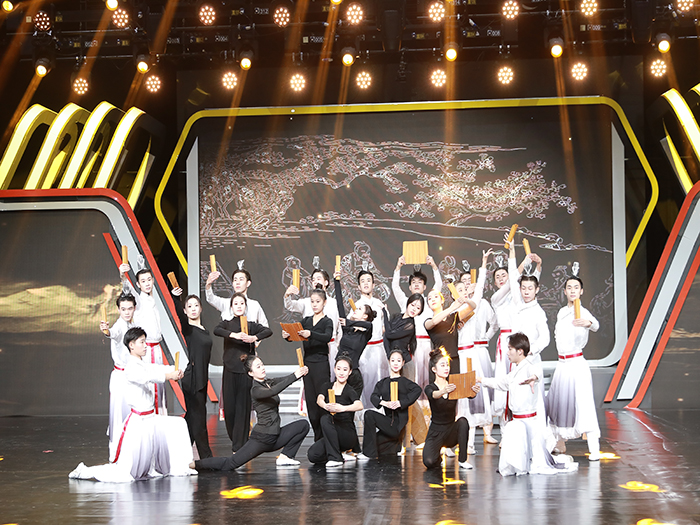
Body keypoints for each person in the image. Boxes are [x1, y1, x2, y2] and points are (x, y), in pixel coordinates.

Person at [69, 328, 195, 482]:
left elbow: (155, 369)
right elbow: (149, 376)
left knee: (179, 424)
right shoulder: (131, 367)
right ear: (131, 345)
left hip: (150, 419)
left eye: (145, 342)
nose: (145, 345)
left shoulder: (141, 363)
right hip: (139, 422)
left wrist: (174, 370)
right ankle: (85, 472)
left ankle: (182, 464)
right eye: (142, 342)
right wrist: (170, 375)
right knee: (126, 471)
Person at [477, 333, 578, 476]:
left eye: (510, 349)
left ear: (520, 351)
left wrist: (533, 378)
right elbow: (501, 383)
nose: (507, 353)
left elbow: (536, 373)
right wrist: (481, 380)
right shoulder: (515, 370)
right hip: (517, 420)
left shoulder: (529, 367)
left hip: (528, 422)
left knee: (533, 456)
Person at [193, 356, 309, 471]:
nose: (262, 368)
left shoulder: (268, 382)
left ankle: (285, 457)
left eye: (262, 365)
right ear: (250, 373)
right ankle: (194, 465)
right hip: (262, 439)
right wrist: (295, 376)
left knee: (303, 425)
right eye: (258, 367)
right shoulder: (255, 390)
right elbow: (274, 391)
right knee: (230, 463)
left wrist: (298, 373)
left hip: (275, 437)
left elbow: (283, 380)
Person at [546, 274, 602, 460]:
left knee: (583, 403)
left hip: (577, 363)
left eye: (576, 287)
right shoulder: (562, 312)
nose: (572, 290)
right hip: (562, 364)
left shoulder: (583, 312)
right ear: (564, 291)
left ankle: (594, 448)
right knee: (560, 403)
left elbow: (596, 325)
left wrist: (588, 323)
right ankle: (558, 442)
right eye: (569, 287)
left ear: (581, 291)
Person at [214, 293, 273, 452]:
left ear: (245, 307)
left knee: (243, 408)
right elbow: (216, 330)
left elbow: (268, 331)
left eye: (242, 303)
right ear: (231, 307)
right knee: (230, 408)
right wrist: (234, 335)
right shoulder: (227, 324)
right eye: (236, 303)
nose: (239, 306)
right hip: (229, 370)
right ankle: (236, 440)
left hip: (246, 372)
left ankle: (239, 446)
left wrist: (253, 338)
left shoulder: (251, 325)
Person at [488, 246, 542, 418]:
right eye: (497, 277)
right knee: (504, 378)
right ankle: (504, 416)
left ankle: (521, 411)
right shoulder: (496, 298)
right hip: (505, 342)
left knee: (521, 377)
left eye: (504, 275)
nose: (501, 279)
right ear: (494, 282)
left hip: (519, 341)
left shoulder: (518, 297)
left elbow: (531, 284)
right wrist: (522, 261)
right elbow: (513, 280)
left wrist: (538, 266)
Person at [283, 288, 333, 441]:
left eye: (318, 301)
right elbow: (296, 334)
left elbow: (327, 336)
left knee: (322, 399)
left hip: (321, 364)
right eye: (312, 301)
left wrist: (311, 334)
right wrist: (287, 336)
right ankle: (318, 438)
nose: (314, 304)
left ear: (324, 302)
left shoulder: (327, 321)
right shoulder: (306, 321)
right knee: (311, 402)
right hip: (308, 365)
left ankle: (326, 438)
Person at [171, 287, 213, 459]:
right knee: (199, 419)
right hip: (193, 378)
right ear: (185, 311)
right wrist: (176, 299)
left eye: (196, 305)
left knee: (192, 419)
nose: (193, 308)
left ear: (201, 308)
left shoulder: (204, 329)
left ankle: (178, 455)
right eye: (189, 306)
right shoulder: (188, 329)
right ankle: (206, 458)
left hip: (201, 377)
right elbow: (180, 318)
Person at [357, 350, 422, 460]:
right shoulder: (382, 383)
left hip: (397, 426)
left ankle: (369, 455)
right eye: (393, 360)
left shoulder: (405, 382)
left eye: (398, 361)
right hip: (388, 425)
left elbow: (418, 390)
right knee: (374, 443)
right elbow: (373, 397)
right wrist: (384, 403)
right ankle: (396, 446)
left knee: (369, 414)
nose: (395, 363)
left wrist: (401, 403)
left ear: (403, 363)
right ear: (389, 362)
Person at [120, 265, 167, 413]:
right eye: (143, 281)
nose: (147, 283)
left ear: (153, 280)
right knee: (151, 385)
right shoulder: (139, 301)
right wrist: (123, 276)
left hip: (156, 348)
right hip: (147, 350)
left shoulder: (151, 300)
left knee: (159, 385)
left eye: (149, 280)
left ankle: (160, 416)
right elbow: (129, 289)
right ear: (138, 284)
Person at [392, 255, 442, 391]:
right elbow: (395, 287)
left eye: (420, 282)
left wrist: (434, 266)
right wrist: (398, 267)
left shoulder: (430, 301)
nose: (416, 284)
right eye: (413, 282)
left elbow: (439, 285)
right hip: (411, 345)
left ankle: (427, 402)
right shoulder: (405, 302)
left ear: (425, 287)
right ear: (409, 287)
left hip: (427, 344)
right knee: (412, 377)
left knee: (427, 376)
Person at [307, 353, 364, 467]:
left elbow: (359, 405)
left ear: (350, 372)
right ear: (334, 369)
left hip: (346, 433)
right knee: (313, 455)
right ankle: (339, 454)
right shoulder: (327, 386)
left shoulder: (349, 390)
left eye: (345, 370)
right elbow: (319, 399)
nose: (341, 373)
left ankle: (336, 458)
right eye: (338, 369)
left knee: (325, 418)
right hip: (331, 434)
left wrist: (343, 408)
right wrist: (325, 406)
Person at [423, 348, 474, 470]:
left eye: (447, 365)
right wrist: (443, 391)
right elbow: (433, 395)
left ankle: (462, 460)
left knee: (463, 422)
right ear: (434, 369)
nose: (446, 368)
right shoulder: (430, 387)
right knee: (429, 461)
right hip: (436, 432)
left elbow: (468, 394)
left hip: (451, 431)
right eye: (442, 365)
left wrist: (473, 392)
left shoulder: (453, 384)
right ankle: (438, 458)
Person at [285, 267, 341, 378]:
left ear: (326, 282)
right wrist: (287, 295)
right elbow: (290, 305)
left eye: (318, 278)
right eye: (313, 280)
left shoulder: (334, 303)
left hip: (331, 345)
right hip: (312, 347)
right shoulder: (307, 302)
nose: (315, 282)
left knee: (331, 377)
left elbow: (340, 327)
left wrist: (338, 344)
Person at [99, 293, 136, 462]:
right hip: (121, 377)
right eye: (123, 309)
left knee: (132, 414)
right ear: (118, 310)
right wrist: (106, 331)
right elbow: (112, 333)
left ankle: (131, 450)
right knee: (120, 415)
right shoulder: (119, 326)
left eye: (130, 308)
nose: (127, 312)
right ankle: (117, 454)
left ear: (134, 308)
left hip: (133, 376)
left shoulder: (133, 325)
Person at [334, 271, 375, 397]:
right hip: (339, 374)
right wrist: (336, 281)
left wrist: (349, 322)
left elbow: (369, 325)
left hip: (353, 376)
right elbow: (339, 305)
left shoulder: (365, 334)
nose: (355, 310)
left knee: (352, 404)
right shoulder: (348, 329)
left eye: (359, 309)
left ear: (365, 316)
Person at [354, 270, 387, 409]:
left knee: (383, 378)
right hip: (365, 349)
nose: (366, 283)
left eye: (368, 280)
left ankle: (383, 412)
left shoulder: (379, 304)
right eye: (362, 281)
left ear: (373, 285)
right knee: (367, 381)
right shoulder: (357, 306)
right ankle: (367, 412)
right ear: (358, 286)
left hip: (380, 348)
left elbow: (385, 326)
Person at [425, 290, 476, 375]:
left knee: (455, 382)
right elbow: (434, 322)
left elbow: (473, 307)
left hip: (454, 359)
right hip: (438, 361)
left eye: (436, 297)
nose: (433, 299)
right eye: (430, 298)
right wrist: (452, 307)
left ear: (442, 301)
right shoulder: (428, 321)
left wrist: (465, 300)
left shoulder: (453, 317)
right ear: (428, 305)